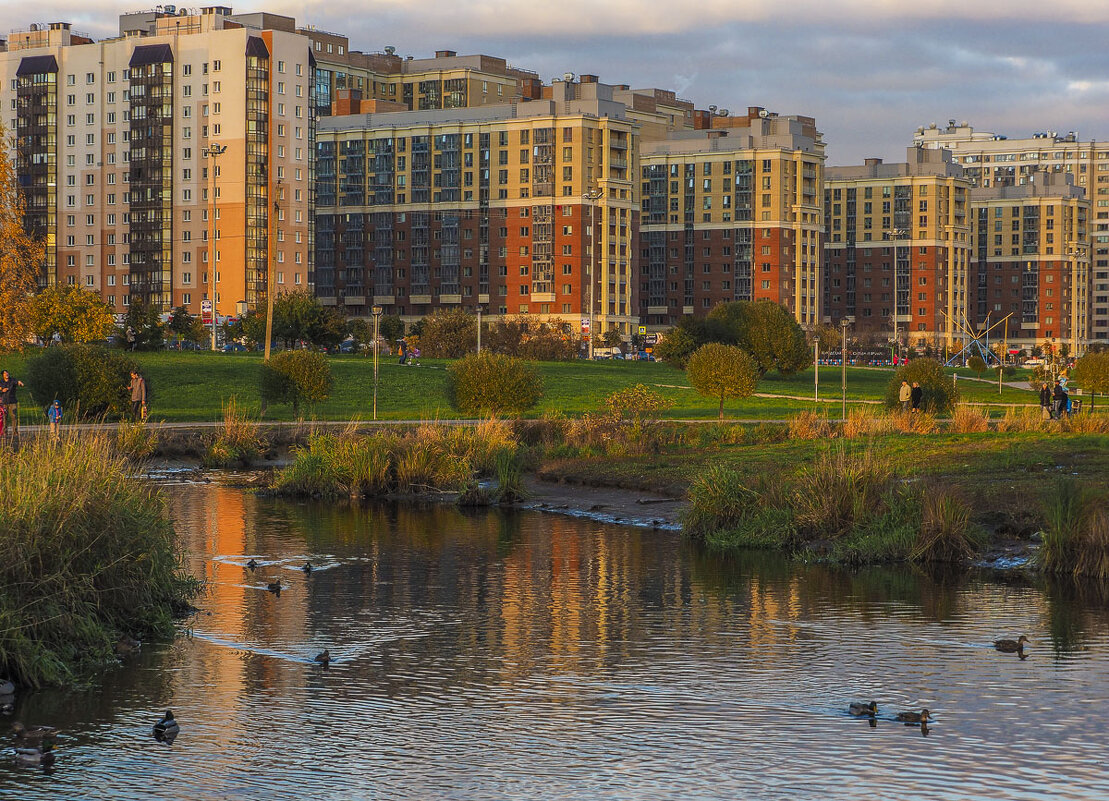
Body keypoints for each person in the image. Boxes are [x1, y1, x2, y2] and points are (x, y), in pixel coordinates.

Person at [0, 369, 25, 438]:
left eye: (7, 373)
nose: (6, 374)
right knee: (4, 417)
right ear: (3, 375)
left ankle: (15, 432)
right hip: (4, 402)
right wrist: (2, 390)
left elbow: (17, 382)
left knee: (14, 416)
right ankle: (5, 432)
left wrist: (20, 383)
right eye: (4, 373)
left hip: (12, 401)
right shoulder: (1, 382)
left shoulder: (12, 380)